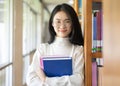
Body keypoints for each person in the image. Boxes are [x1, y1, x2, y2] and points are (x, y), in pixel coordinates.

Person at [26, 3, 84, 86]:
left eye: (67, 21)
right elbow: (31, 79)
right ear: (52, 24)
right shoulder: (43, 49)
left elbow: (78, 81)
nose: (62, 26)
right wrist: (66, 81)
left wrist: (46, 80)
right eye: (58, 21)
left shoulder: (78, 50)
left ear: (72, 24)